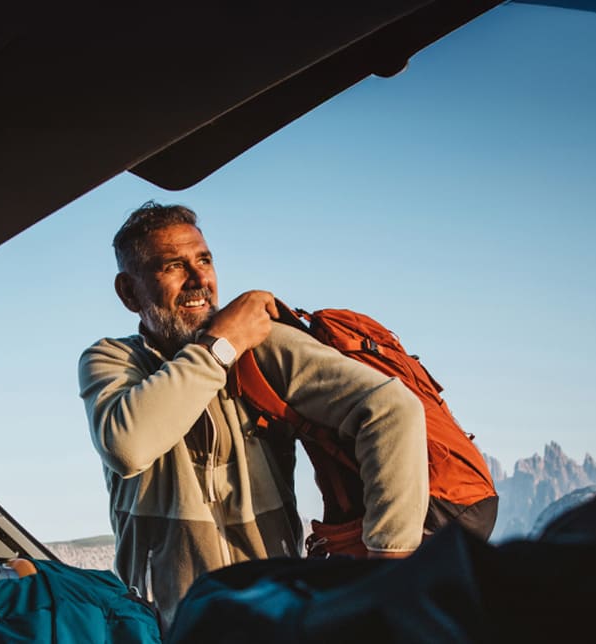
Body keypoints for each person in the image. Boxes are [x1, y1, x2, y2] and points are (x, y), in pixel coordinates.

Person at [77, 201, 429, 625]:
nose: (198, 280)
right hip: (169, 629)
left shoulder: (261, 348)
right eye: (173, 266)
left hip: (274, 620)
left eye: (204, 260)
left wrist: (388, 575)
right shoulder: (111, 360)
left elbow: (393, 410)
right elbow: (128, 445)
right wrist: (220, 346)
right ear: (129, 292)